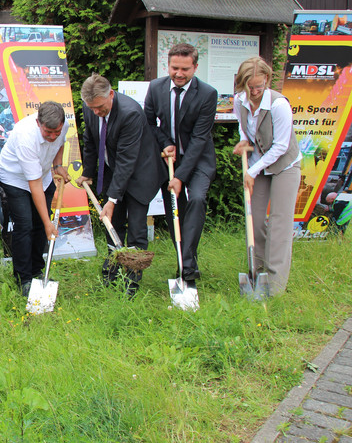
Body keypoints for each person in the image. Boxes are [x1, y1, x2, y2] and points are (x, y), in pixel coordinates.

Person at [77, 74, 165, 297]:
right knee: (112, 225)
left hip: (140, 173)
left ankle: (132, 281)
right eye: (92, 108)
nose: (96, 112)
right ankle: (112, 272)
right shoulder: (91, 108)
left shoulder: (131, 113)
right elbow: (90, 140)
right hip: (113, 170)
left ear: (111, 95)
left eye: (100, 107)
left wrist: (112, 199)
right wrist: (88, 173)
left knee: (136, 228)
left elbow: (127, 160)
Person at [144, 43, 218, 286]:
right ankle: (185, 262)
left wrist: (181, 177)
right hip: (169, 160)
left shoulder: (207, 94)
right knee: (175, 211)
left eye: (185, 69)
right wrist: (165, 143)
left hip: (198, 159)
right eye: (175, 67)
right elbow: (149, 121)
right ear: (168, 65)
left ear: (195, 67)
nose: (179, 73)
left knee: (196, 199)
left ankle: (188, 266)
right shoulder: (156, 88)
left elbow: (199, 139)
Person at [232, 57, 301, 295]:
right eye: (249, 87)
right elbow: (243, 126)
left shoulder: (279, 105)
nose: (254, 92)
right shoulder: (240, 100)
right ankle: (257, 273)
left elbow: (281, 146)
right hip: (258, 164)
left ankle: (276, 284)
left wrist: (251, 171)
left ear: (268, 81)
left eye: (259, 86)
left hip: (284, 165)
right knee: (256, 219)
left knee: (279, 223)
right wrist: (243, 140)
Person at [0, 101, 70, 296]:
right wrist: (49, 223)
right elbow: (33, 185)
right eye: (48, 132)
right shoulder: (25, 136)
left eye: (57, 131)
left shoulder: (63, 126)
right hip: (14, 177)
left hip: (42, 175)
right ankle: (23, 278)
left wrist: (57, 165)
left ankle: (37, 271)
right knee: (25, 224)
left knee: (38, 224)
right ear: (39, 123)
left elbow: (61, 142)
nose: (53, 136)